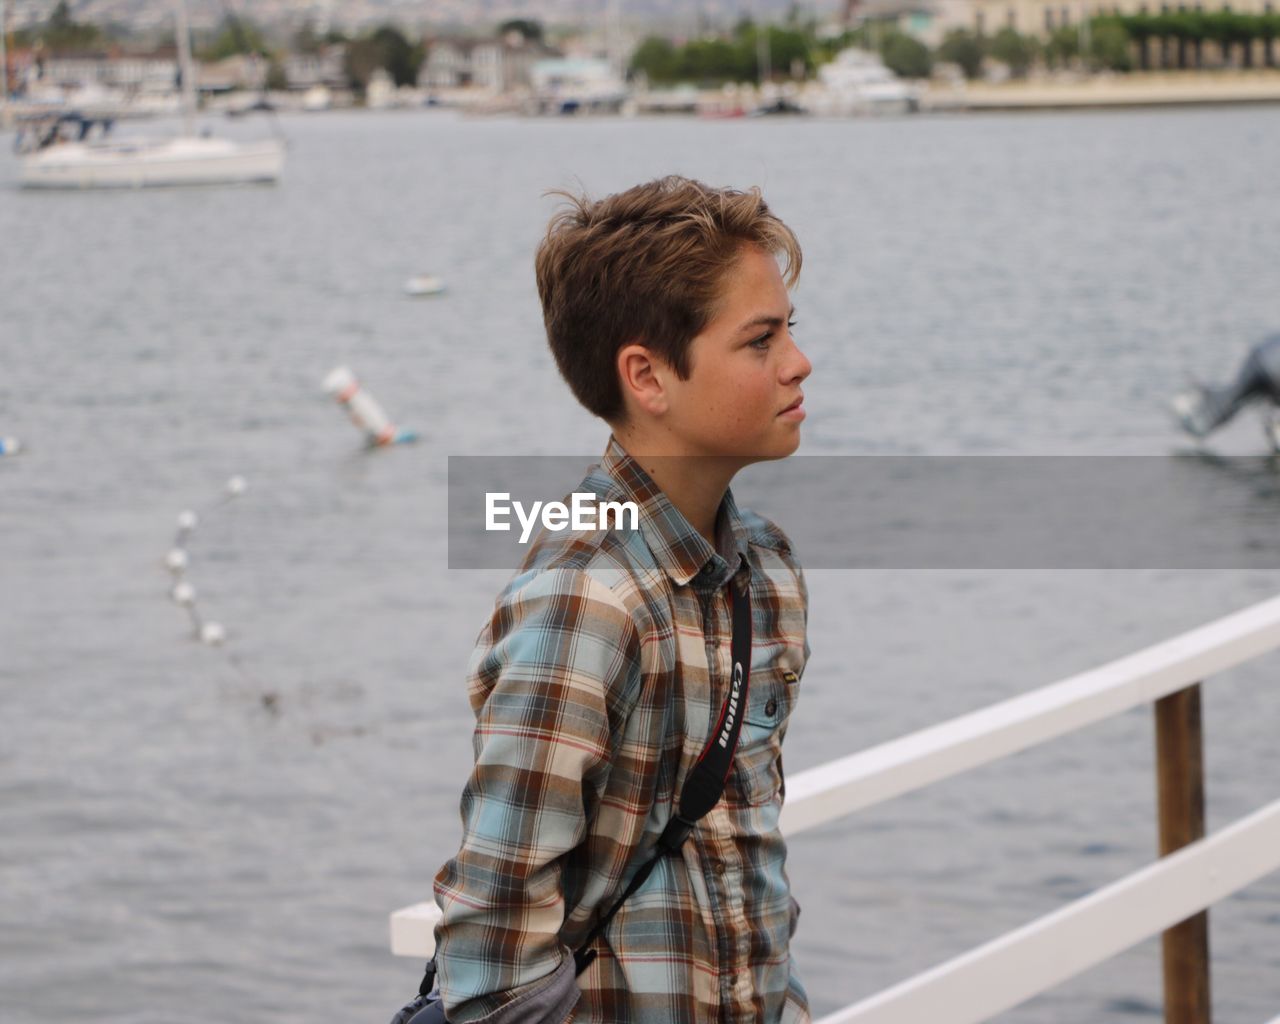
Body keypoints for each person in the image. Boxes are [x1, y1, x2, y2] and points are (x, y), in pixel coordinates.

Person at [427, 176, 814, 1024]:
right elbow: (491, 959)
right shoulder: (585, 598)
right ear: (647, 376)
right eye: (759, 341)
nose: (798, 361)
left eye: (791, 330)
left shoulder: (766, 571)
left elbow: (746, 861)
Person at [1172, 334, 1280, 445]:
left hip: (1261, 358)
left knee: (1230, 402)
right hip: (1265, 364)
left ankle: (1200, 406)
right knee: (1225, 406)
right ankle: (1196, 410)